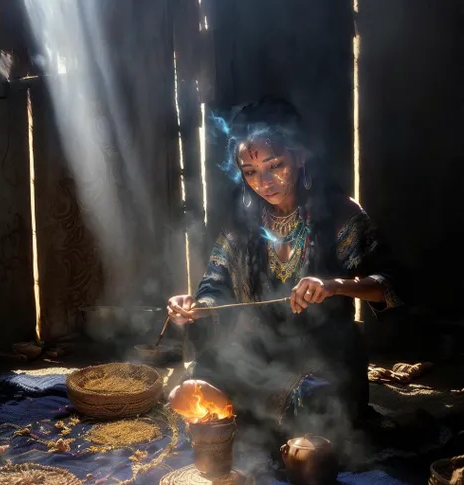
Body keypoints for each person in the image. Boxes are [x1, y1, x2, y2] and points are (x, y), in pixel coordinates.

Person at [167, 97, 403, 439]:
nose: (264, 181)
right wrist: (197, 307)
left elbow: (390, 282)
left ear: (300, 155)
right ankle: (256, 419)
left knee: (318, 403)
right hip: (259, 355)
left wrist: (336, 285)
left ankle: (261, 421)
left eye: (274, 165)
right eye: (250, 172)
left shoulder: (337, 214)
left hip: (322, 359)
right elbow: (215, 284)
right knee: (189, 387)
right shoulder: (243, 222)